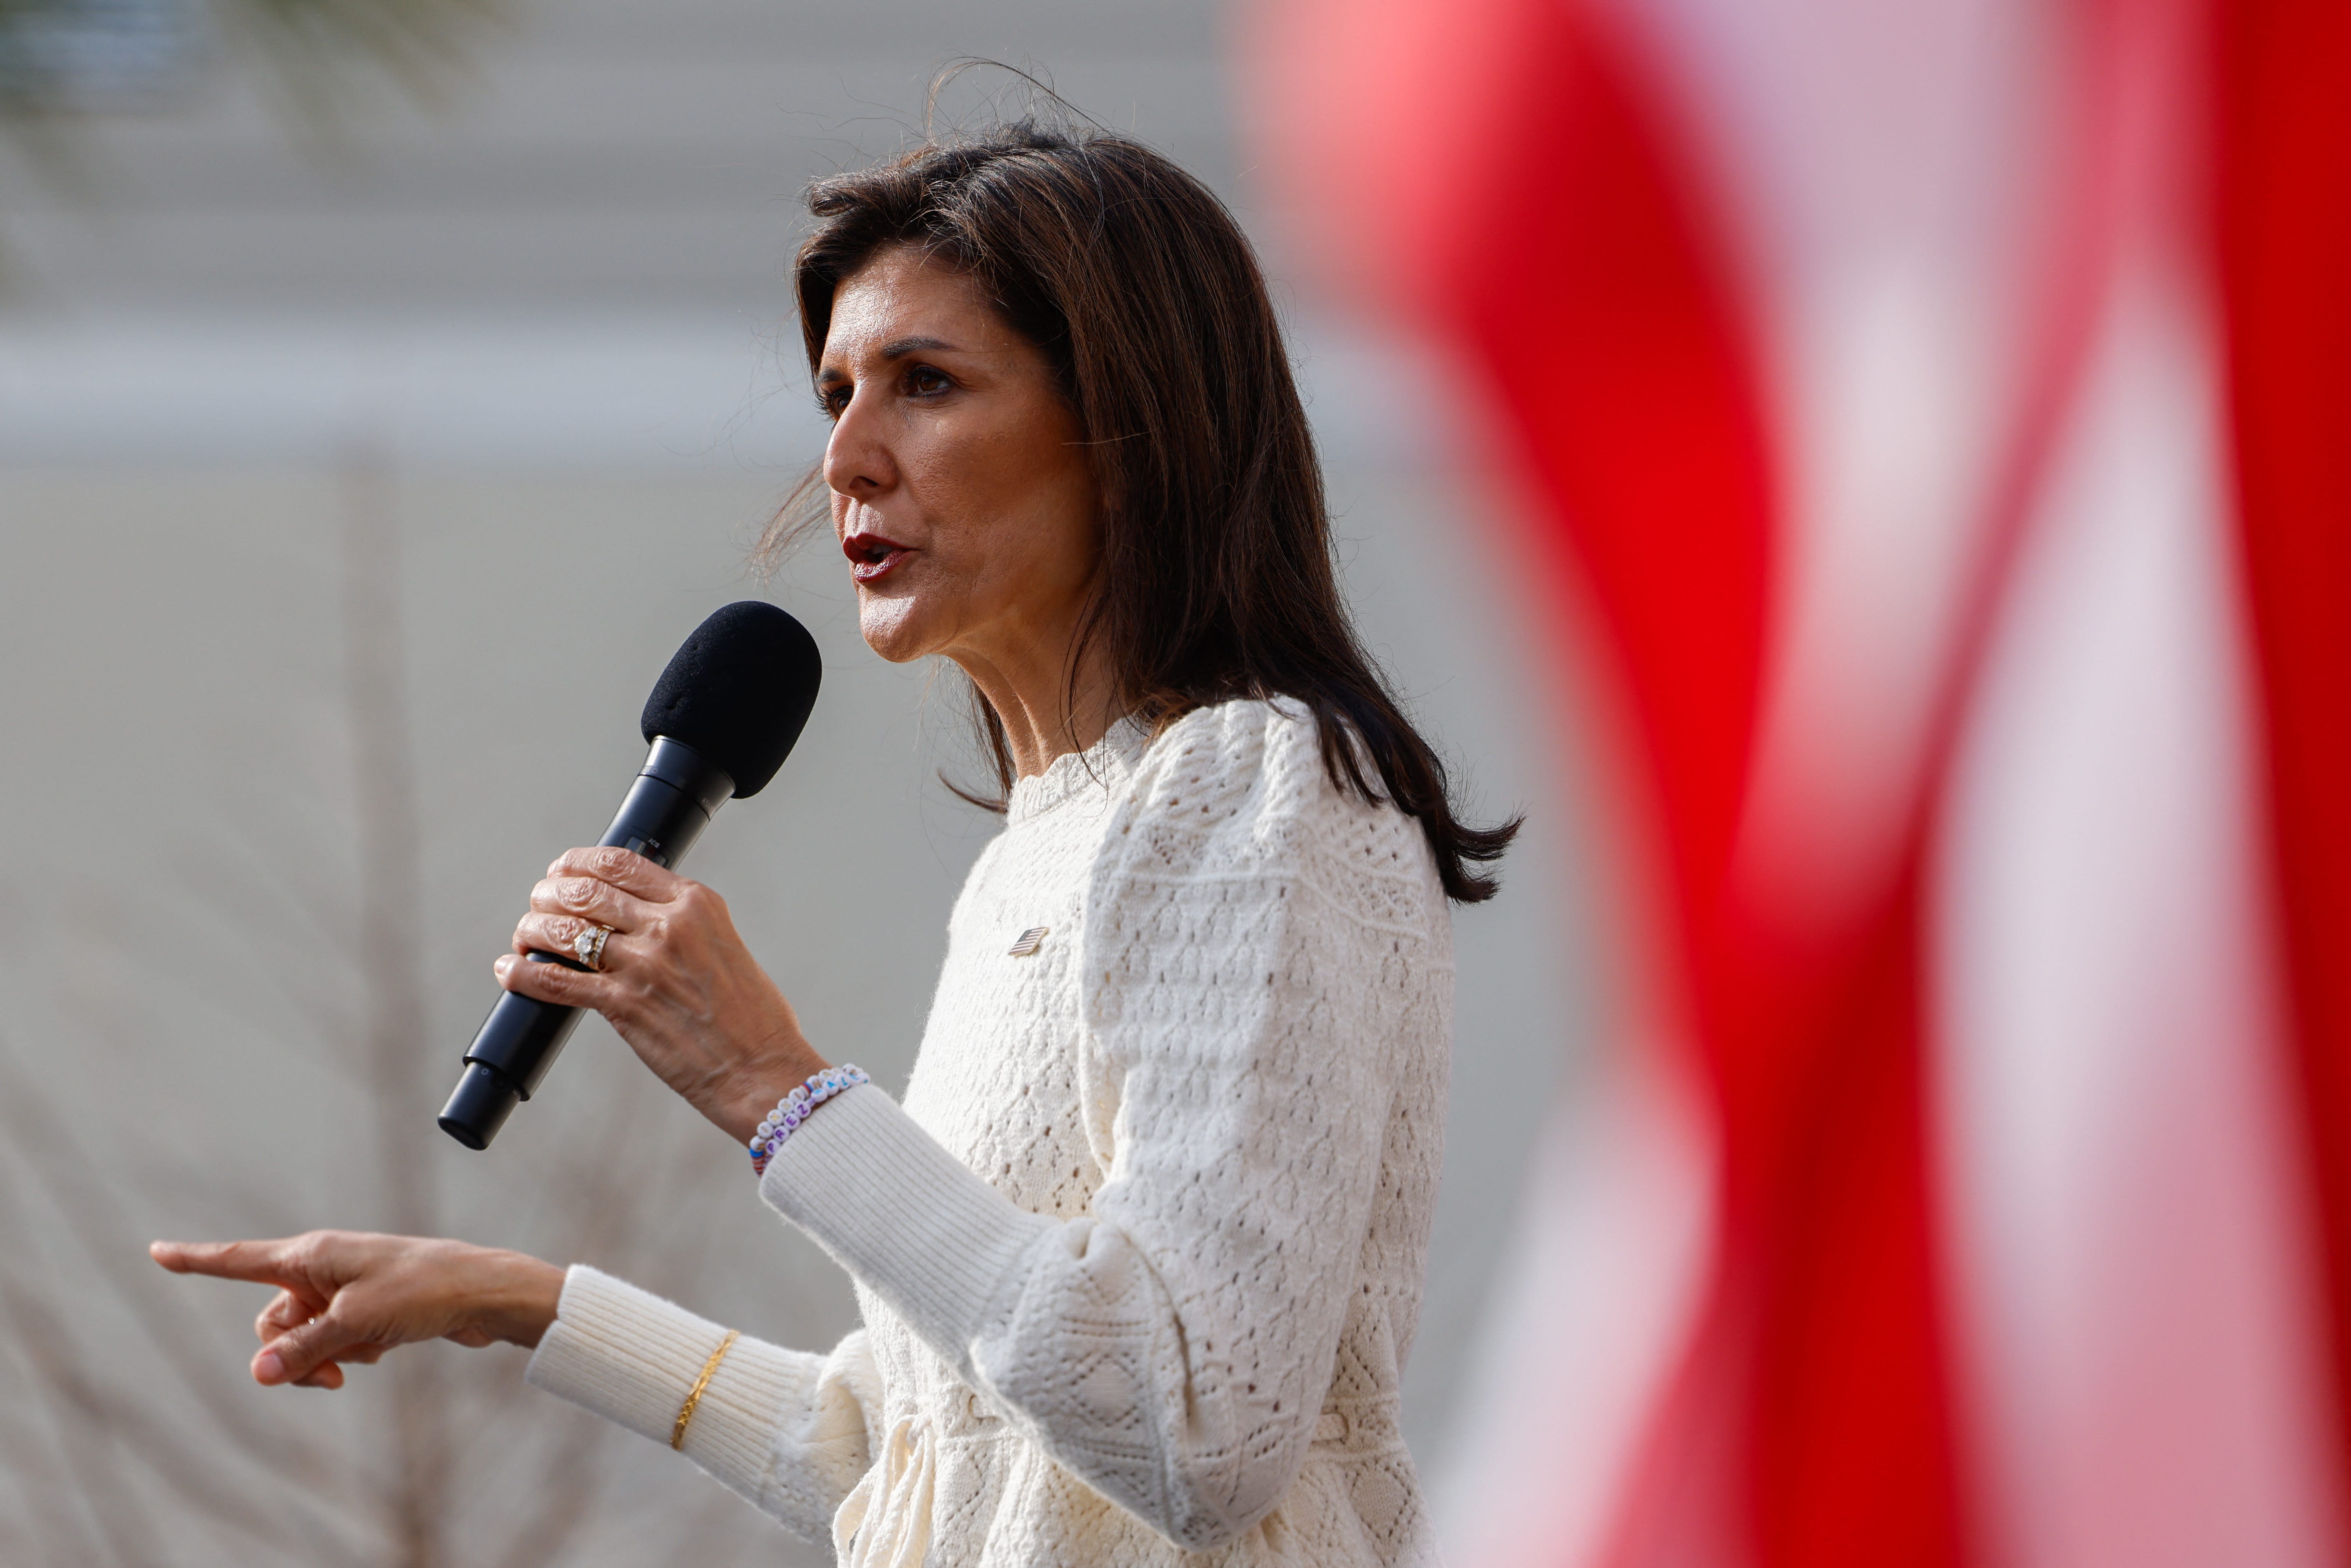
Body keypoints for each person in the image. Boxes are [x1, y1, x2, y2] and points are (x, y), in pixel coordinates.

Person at [152, 120, 1516, 1568]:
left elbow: (1194, 1424)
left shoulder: (1249, 792)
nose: (846, 460)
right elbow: (930, 1458)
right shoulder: (1046, 849)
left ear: (1129, 429)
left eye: (927, 384)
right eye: (836, 394)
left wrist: (768, 1083)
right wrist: (515, 1301)